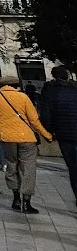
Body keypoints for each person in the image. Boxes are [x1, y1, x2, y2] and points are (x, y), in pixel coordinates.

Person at [0, 72, 55, 213]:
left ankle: (16, 198)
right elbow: (34, 120)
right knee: (28, 168)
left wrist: (3, 127)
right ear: (16, 85)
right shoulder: (23, 97)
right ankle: (27, 202)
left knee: (12, 165)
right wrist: (47, 135)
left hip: (7, 138)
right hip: (26, 138)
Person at [40, 66, 77, 200]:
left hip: (64, 135)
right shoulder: (74, 90)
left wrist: (50, 131)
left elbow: (45, 116)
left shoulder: (49, 93)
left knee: (73, 168)